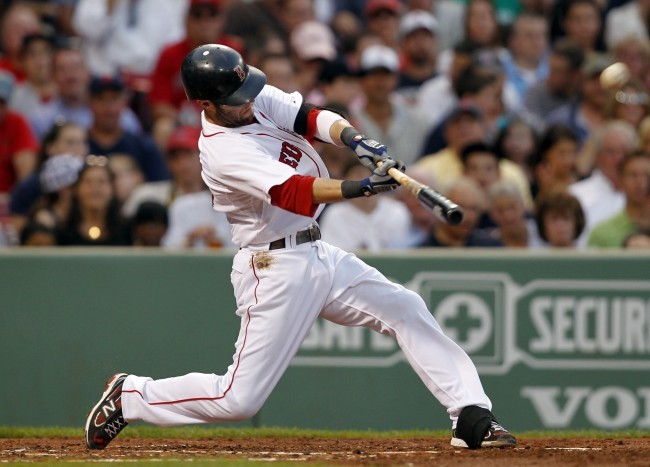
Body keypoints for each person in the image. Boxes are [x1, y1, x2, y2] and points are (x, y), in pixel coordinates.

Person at [84, 43, 516, 451]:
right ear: (206, 104)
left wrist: (355, 140)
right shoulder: (222, 151)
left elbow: (308, 117)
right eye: (236, 98)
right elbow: (294, 193)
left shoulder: (247, 94)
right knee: (238, 400)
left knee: (405, 307)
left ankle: (470, 414)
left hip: (315, 251)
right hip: (273, 265)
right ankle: (131, 395)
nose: (249, 102)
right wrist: (362, 187)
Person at [588, 151, 650, 247]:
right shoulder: (602, 234)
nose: (641, 182)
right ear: (620, 180)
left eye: (647, 175)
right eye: (633, 175)